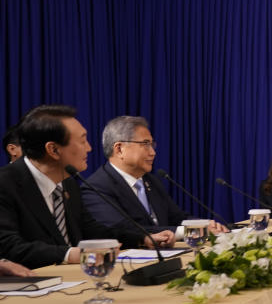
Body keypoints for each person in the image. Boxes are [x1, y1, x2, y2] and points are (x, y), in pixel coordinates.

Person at [0, 105, 160, 268]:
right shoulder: (5, 184)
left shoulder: (68, 181)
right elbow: (9, 246)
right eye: (83, 141)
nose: (89, 148)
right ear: (53, 149)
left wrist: (142, 239)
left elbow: (91, 231)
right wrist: (70, 254)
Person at [82, 116, 226, 239]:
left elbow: (177, 218)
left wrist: (204, 225)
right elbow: (124, 230)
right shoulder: (96, 187)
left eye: (152, 145)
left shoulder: (150, 180)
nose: (153, 153)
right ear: (119, 149)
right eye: (145, 144)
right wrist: (192, 231)